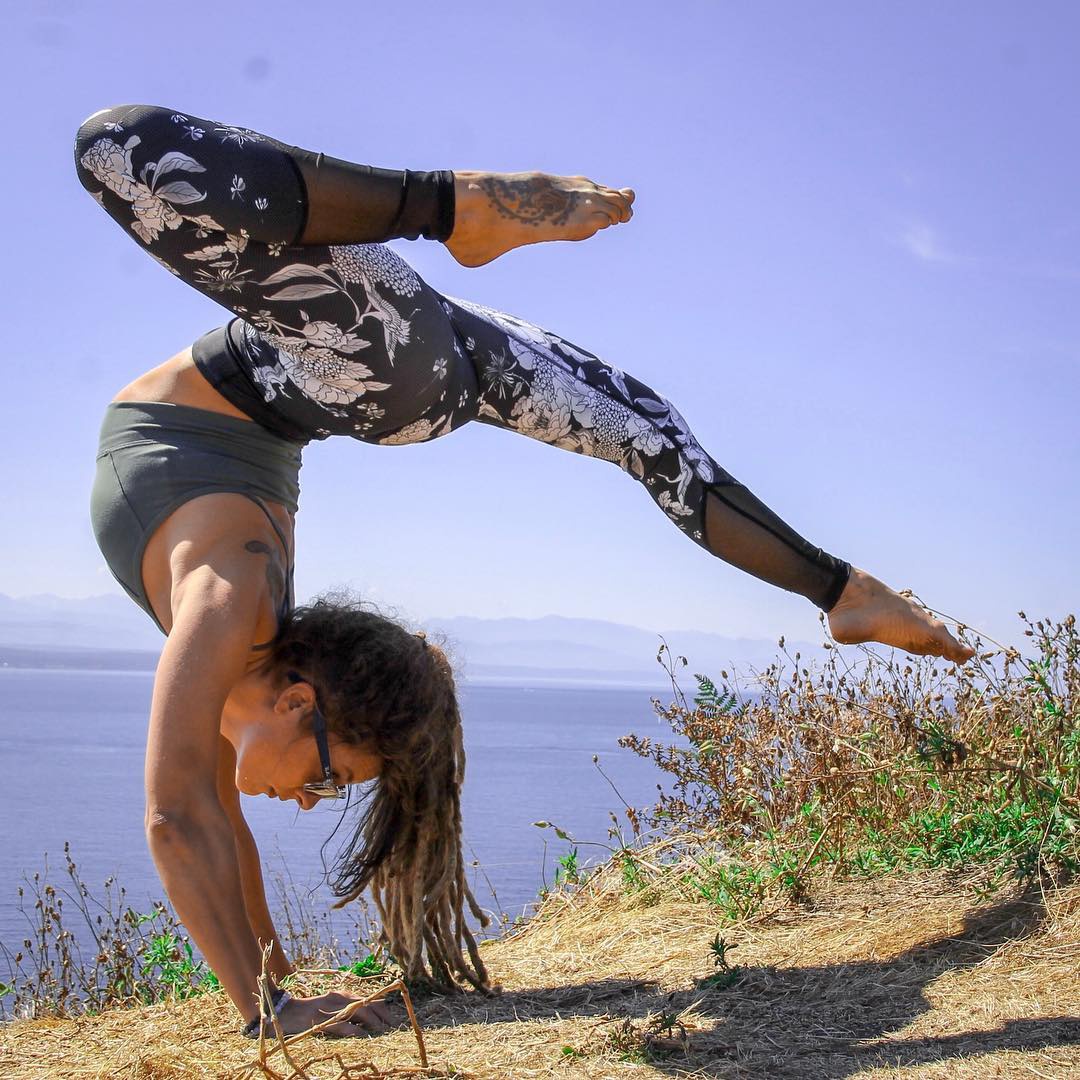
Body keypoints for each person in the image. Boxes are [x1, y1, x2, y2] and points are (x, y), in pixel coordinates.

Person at [72, 102, 974, 1039]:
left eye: (329, 782)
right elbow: (200, 825)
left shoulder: (226, 605)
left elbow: (185, 820)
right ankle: (840, 589)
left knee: (115, 147)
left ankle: (450, 206)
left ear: (302, 702)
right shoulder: (239, 626)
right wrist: (278, 1002)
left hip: (363, 360)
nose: (311, 797)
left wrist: (273, 1009)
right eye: (335, 783)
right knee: (642, 436)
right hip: (377, 361)